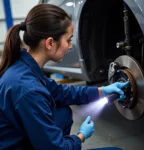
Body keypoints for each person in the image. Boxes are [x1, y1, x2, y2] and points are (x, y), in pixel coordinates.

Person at [0, 3, 129, 150]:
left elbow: (61, 92)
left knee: (63, 112)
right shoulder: (29, 90)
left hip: (17, 137)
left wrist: (102, 90)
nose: (69, 46)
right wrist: (80, 136)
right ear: (49, 43)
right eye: (68, 40)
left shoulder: (23, 66)